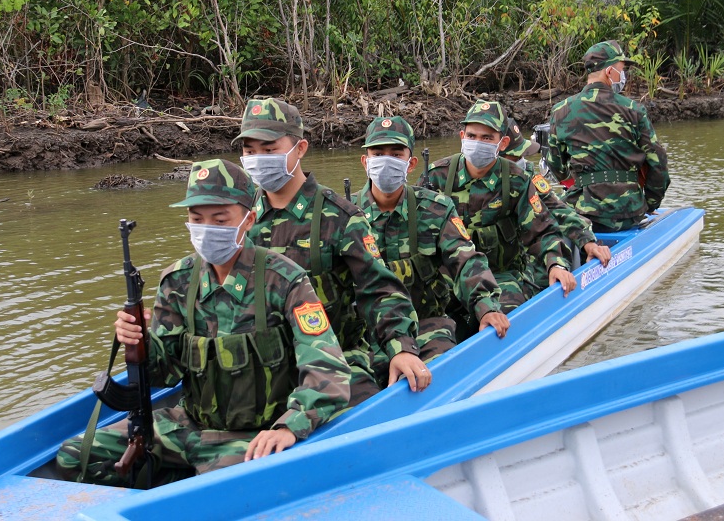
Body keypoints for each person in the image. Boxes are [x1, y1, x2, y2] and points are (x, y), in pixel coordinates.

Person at [56, 159, 351, 486]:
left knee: (222, 491)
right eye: (197, 219)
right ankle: (172, 479)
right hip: (187, 426)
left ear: (249, 219)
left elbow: (328, 369)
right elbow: (165, 373)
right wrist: (137, 341)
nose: (207, 228)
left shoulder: (285, 280)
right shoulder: (178, 281)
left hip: (251, 436)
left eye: (220, 219)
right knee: (75, 455)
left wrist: (289, 426)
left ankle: (186, 483)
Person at [234, 98, 430, 406]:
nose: (258, 158)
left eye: (269, 149)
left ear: (299, 148)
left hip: (336, 360)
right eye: (249, 150)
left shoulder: (340, 216)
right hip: (265, 363)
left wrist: (401, 346)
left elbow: (379, 289)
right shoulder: (239, 221)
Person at [354, 116, 510, 378]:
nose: (386, 160)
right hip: (366, 334)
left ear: (411, 163)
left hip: (427, 326)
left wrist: (486, 306)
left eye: (395, 153)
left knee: (444, 376)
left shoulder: (435, 208)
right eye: (378, 153)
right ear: (365, 161)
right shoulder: (343, 216)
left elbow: (465, 260)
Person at [421, 100, 576, 314]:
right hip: (449, 276)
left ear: (502, 144)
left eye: (487, 138)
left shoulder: (516, 179)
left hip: (501, 276)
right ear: (462, 137)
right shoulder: (436, 176)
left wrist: (556, 264)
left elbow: (543, 231)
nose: (477, 143)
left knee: (507, 317)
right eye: (472, 136)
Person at [546, 40, 671, 232]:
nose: (623, 76)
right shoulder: (633, 110)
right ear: (609, 71)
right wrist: (649, 204)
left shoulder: (561, 111)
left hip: (581, 212)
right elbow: (658, 162)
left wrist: (574, 183)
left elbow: (555, 163)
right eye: (621, 69)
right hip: (628, 212)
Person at [501, 118, 611, 290]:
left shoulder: (528, 180)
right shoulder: (454, 183)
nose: (522, 160)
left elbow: (560, 210)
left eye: (522, 155)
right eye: (515, 156)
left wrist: (588, 242)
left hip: (523, 261)